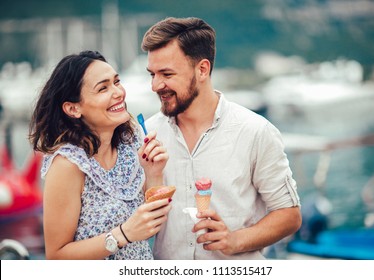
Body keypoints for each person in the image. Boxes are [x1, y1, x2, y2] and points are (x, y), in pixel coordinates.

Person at [141, 17, 302, 260]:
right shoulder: (146, 135)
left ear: (202, 69)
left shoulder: (255, 131)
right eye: (152, 74)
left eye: (166, 73)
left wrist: (235, 240)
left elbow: (289, 215)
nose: (155, 85)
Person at [29, 50, 171, 260]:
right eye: (103, 88)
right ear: (73, 108)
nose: (118, 92)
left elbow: (154, 224)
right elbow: (56, 257)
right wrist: (123, 234)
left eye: (117, 81)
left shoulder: (130, 144)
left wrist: (154, 172)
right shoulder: (67, 165)